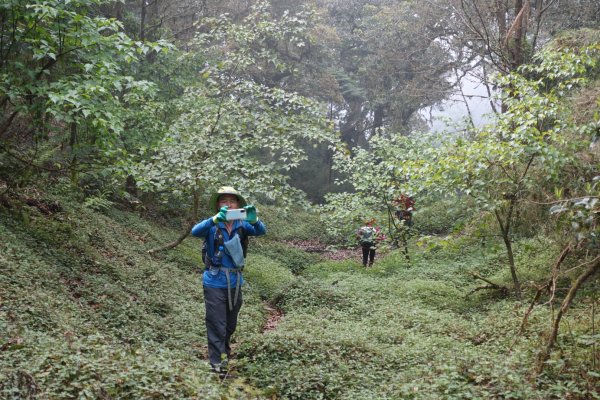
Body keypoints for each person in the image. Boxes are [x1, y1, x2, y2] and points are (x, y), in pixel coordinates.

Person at [191, 186, 266, 375]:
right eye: (223, 200)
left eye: (232, 201)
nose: (228, 204)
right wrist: (215, 219)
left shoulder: (242, 224)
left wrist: (254, 219)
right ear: (218, 204)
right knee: (217, 324)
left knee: (230, 325)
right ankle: (217, 366)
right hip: (214, 281)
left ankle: (224, 354)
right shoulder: (213, 224)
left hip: (235, 282)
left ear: (238, 204)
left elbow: (261, 231)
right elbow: (195, 231)